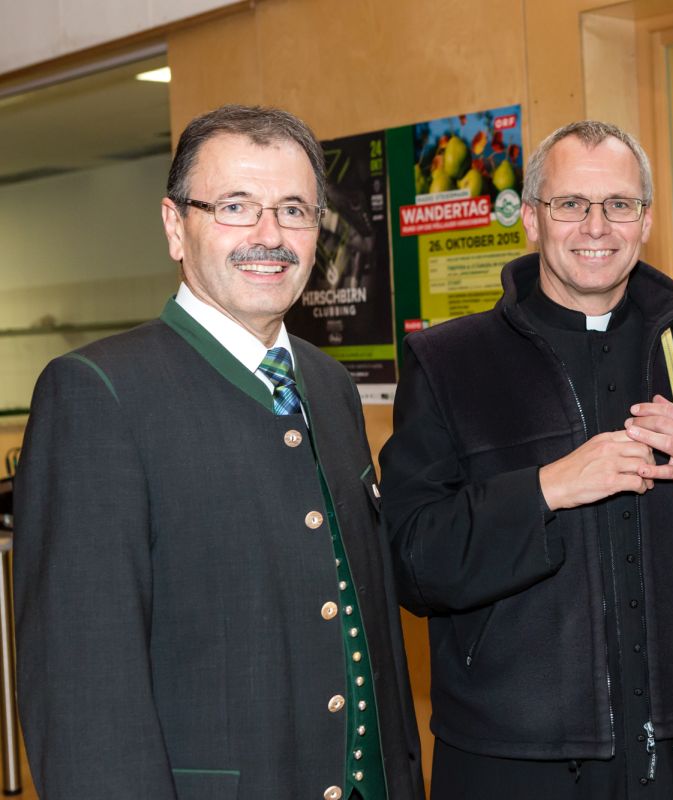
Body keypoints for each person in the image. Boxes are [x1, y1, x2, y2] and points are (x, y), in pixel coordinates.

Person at [14, 104, 424, 800]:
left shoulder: (330, 386)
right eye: (236, 207)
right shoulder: (97, 393)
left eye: (293, 211)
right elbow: (84, 688)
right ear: (176, 226)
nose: (270, 236)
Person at [380, 120, 673, 798]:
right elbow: (412, 561)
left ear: (645, 221)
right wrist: (546, 490)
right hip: (515, 758)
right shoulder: (447, 360)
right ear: (532, 219)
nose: (597, 226)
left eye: (619, 204)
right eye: (571, 204)